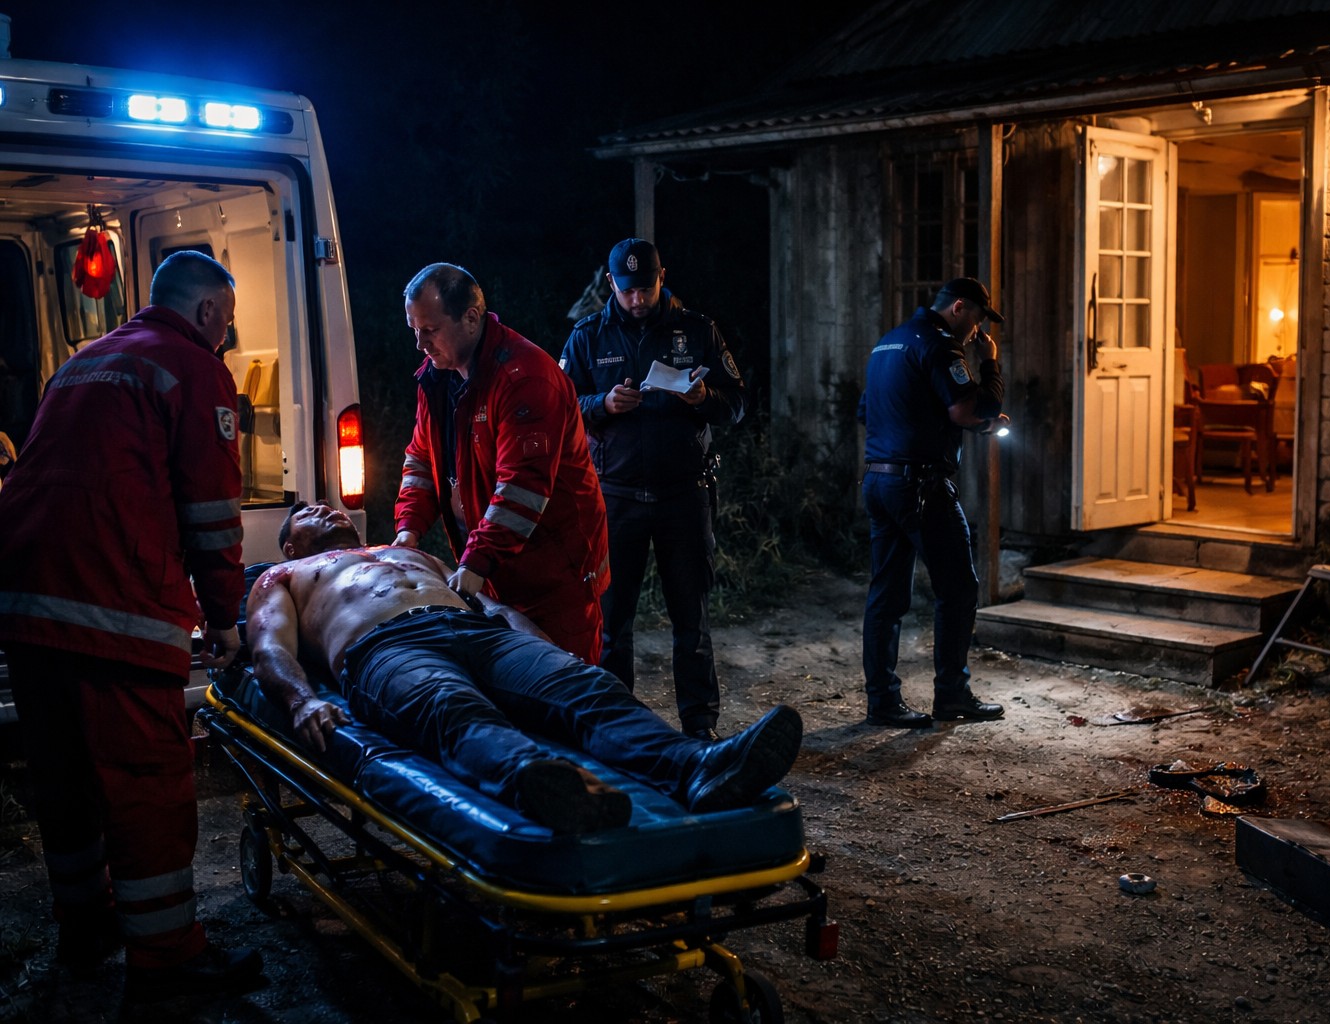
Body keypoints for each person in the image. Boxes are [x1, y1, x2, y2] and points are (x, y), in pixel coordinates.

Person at [0, 251, 263, 998]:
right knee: (146, 783)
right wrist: (225, 620)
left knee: (64, 778)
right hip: (112, 603)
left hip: (25, 601)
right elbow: (212, 514)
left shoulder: (83, 363)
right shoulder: (192, 366)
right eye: (227, 319)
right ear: (207, 312)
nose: (227, 333)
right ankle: (167, 956)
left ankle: (84, 928)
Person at [247, 503, 802, 834]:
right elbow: (269, 646)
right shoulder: (286, 576)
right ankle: (547, 785)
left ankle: (699, 767)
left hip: (476, 632)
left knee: (587, 687)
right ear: (290, 544)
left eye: (327, 505)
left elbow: (490, 605)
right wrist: (302, 700)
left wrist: (543, 649)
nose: (327, 509)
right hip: (386, 649)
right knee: (452, 708)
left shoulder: (409, 552)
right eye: (309, 512)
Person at [559, 239, 746, 741]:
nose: (638, 300)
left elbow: (736, 404)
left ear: (663, 277)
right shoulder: (588, 336)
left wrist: (703, 396)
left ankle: (700, 728)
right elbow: (560, 406)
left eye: (646, 288)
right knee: (611, 623)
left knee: (691, 618)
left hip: (683, 496)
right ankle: (615, 727)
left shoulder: (698, 330)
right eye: (627, 291)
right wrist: (602, 404)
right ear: (610, 285)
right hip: (615, 498)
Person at [394, 263, 610, 665]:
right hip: (496, 568)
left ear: (470, 318)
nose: (420, 344)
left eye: (430, 330)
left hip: (554, 575)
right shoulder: (437, 378)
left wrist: (477, 561)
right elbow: (422, 459)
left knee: (568, 682)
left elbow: (523, 488)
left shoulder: (525, 379)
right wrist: (408, 529)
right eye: (414, 330)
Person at [857, 277, 1011, 729]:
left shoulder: (889, 342)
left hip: (880, 480)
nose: (978, 330)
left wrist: (941, 426)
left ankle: (882, 702)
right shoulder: (941, 345)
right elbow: (967, 410)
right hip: (921, 485)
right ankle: (952, 695)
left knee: (886, 596)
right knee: (958, 588)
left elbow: (868, 411)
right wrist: (990, 365)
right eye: (978, 319)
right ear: (959, 308)